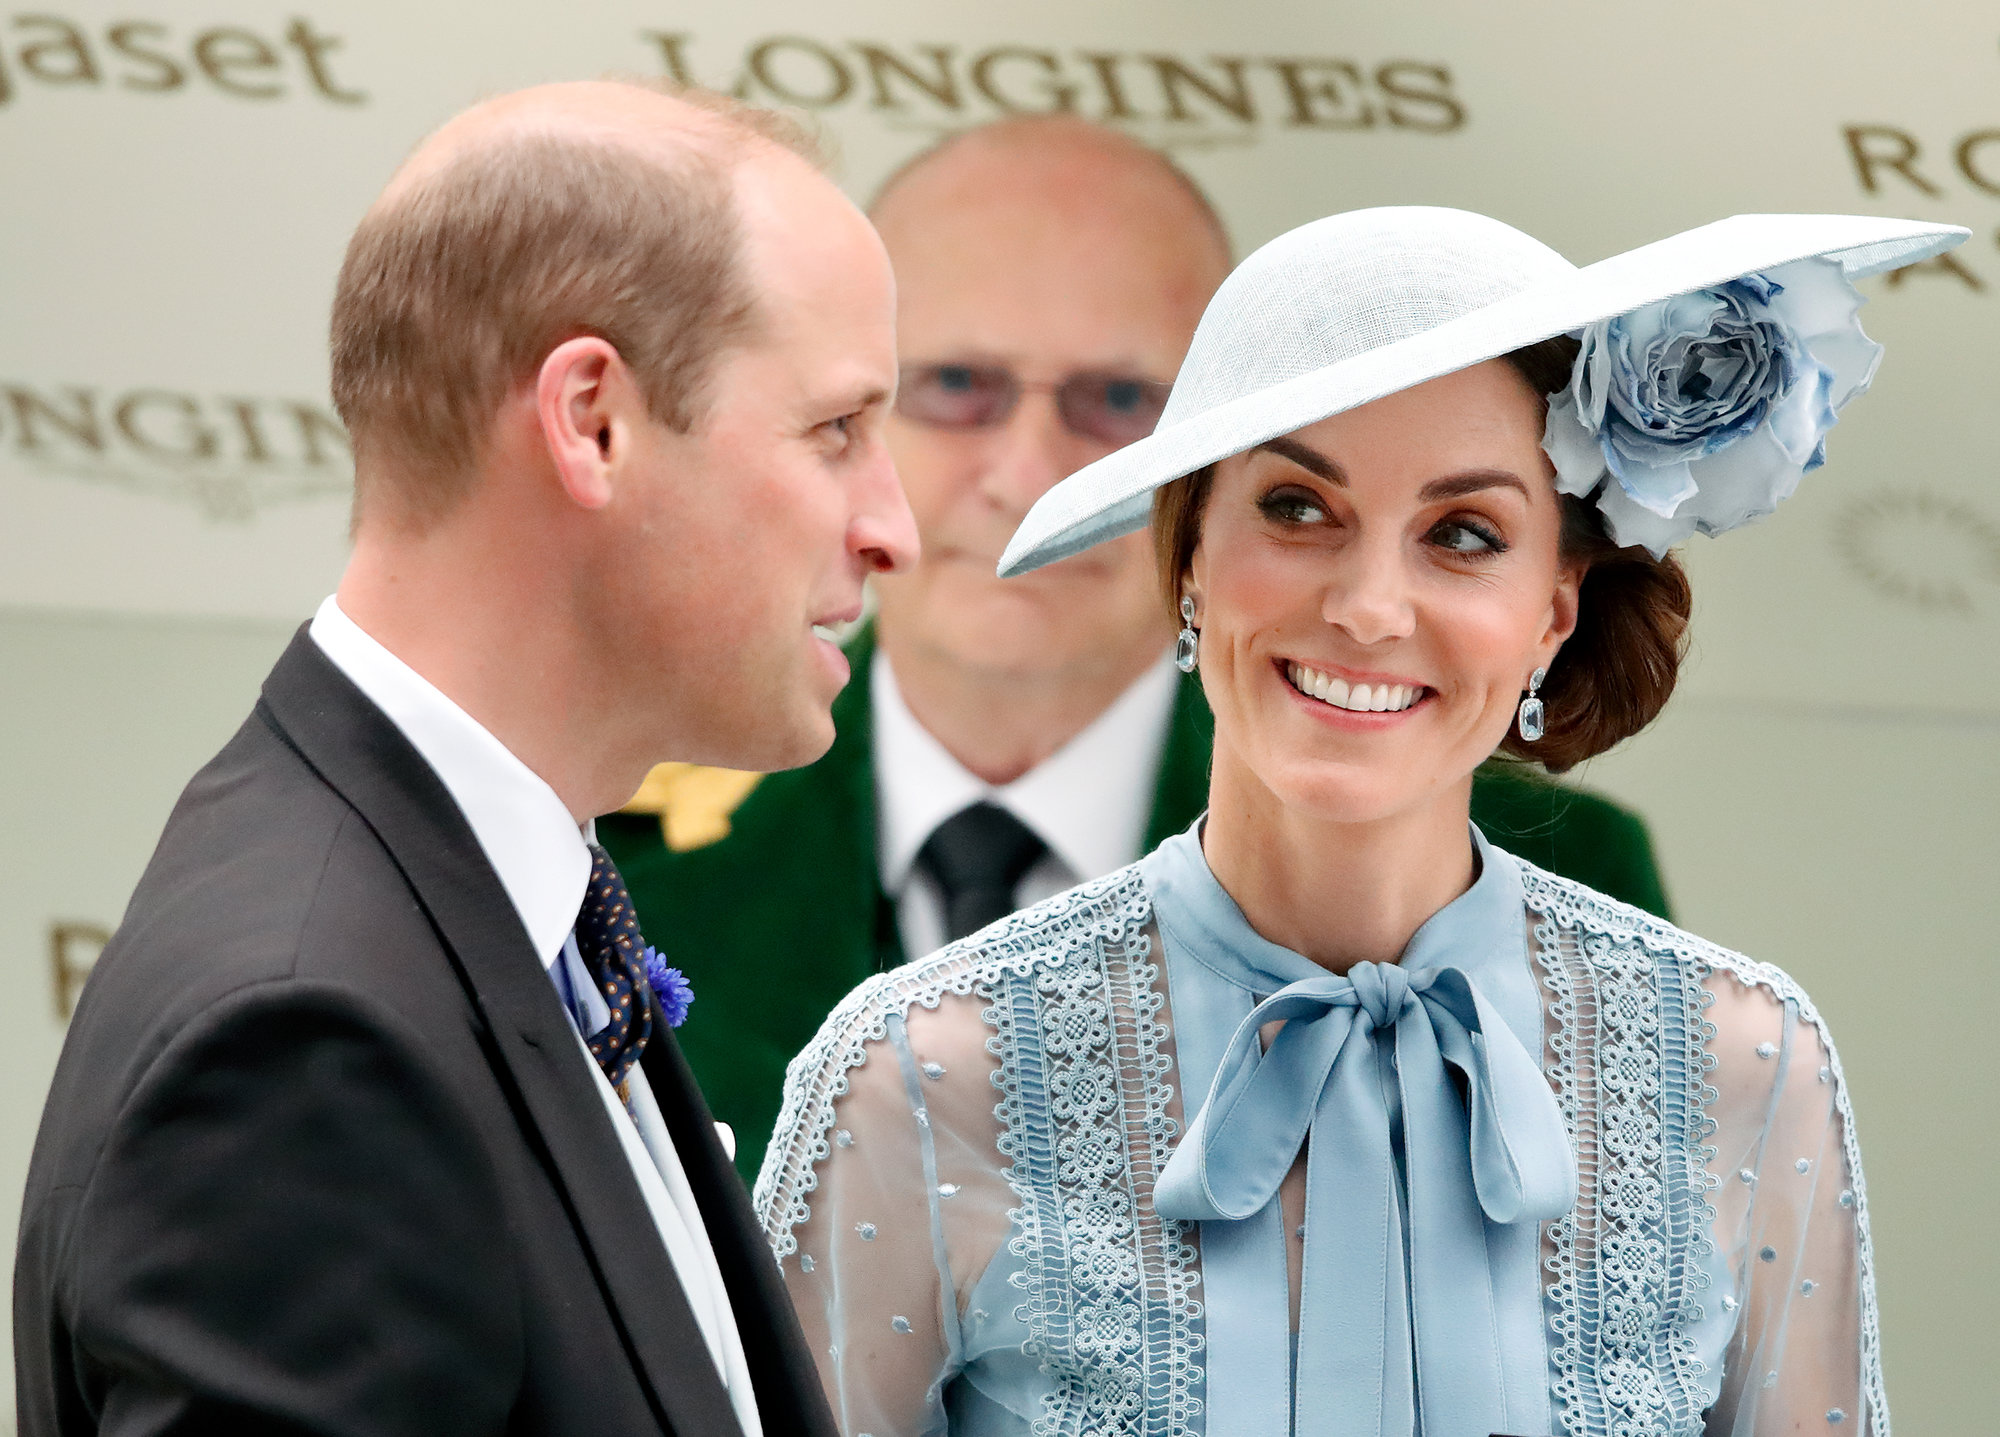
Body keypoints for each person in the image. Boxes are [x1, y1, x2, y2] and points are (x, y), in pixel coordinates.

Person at [759, 206, 1965, 1436]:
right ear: (1186, 556)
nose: (1369, 607)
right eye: (1294, 507)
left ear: (1552, 608)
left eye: (1461, 535)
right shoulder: (921, 1073)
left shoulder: (1744, 1065)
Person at [14, 80, 917, 1437]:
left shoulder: (494, 918)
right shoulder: (312, 1048)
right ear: (592, 421)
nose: (891, 526)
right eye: (837, 430)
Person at [600, 116, 1671, 1185]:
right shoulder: (615, 857)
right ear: (852, 418)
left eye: (1115, 402)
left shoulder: (1554, 885)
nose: (1023, 475)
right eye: (954, 386)